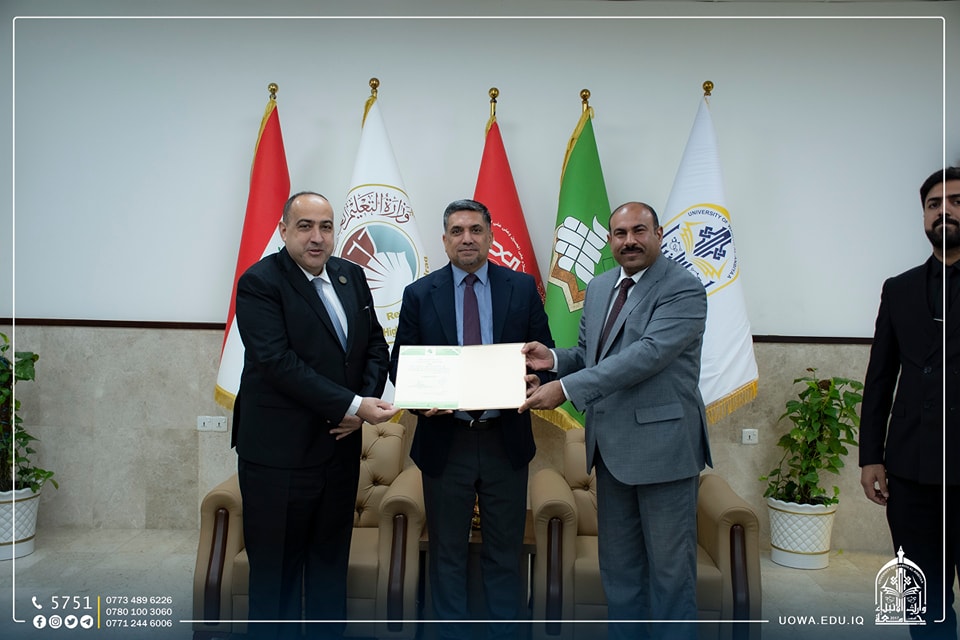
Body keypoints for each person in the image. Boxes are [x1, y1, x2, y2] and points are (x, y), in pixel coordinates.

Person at [520, 201, 711, 640]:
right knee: (620, 573)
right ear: (610, 240)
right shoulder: (601, 285)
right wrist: (553, 360)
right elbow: (591, 355)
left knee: (670, 576)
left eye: (639, 231)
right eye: (620, 233)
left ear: (658, 234)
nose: (629, 241)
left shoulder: (682, 288)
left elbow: (646, 355)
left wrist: (566, 389)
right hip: (610, 451)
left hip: (664, 453)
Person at [231, 191, 397, 640]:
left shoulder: (350, 274)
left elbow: (374, 346)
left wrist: (360, 406)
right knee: (276, 578)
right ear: (284, 230)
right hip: (279, 458)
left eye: (326, 226)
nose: (317, 237)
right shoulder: (260, 282)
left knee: (329, 568)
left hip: (338, 452)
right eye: (305, 226)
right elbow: (278, 363)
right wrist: (353, 406)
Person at [390, 198, 553, 640]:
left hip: (505, 438)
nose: (467, 239)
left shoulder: (521, 287)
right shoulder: (420, 294)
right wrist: (421, 400)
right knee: (447, 554)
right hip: (446, 440)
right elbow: (401, 364)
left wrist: (538, 380)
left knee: (505, 553)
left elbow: (545, 356)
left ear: (491, 236)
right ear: (444, 240)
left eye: (476, 230)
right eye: (458, 231)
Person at [860, 167, 960, 640]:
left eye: (956, 202)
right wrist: (871, 457)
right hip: (911, 468)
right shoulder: (898, 288)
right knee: (923, 601)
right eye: (934, 204)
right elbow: (879, 379)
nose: (944, 211)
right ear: (924, 216)